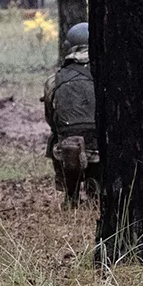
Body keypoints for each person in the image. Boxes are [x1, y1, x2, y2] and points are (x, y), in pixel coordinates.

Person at [43, 22, 99, 208]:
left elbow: (51, 117)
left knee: (55, 138)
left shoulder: (54, 80)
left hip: (68, 147)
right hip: (101, 145)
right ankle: (96, 185)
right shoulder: (106, 74)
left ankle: (70, 192)